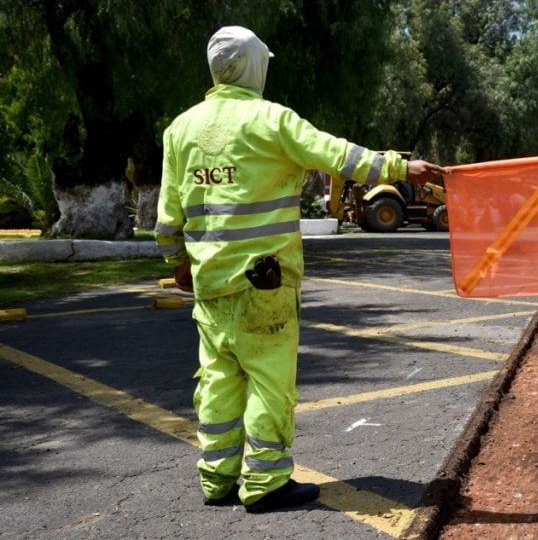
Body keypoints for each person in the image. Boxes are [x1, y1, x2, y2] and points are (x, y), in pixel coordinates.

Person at [155, 26, 447, 514]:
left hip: (209, 286)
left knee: (218, 381)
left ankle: (216, 478)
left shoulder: (180, 129)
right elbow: (339, 155)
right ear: (254, 66)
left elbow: (168, 217)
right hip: (263, 284)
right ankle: (267, 482)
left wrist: (177, 264)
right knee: (269, 382)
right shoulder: (271, 121)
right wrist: (400, 167)